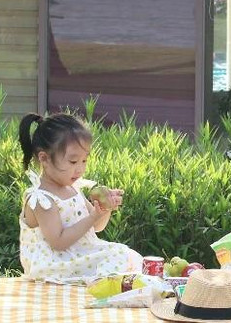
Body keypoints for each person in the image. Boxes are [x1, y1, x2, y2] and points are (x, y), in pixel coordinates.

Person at [18, 112, 141, 284]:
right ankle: (104, 284)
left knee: (125, 255)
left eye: (84, 161)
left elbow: (97, 226)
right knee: (119, 255)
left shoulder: (72, 188)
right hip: (56, 264)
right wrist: (92, 217)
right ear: (44, 159)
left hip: (79, 255)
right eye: (73, 162)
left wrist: (104, 209)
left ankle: (112, 284)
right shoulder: (42, 199)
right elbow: (58, 242)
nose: (80, 169)